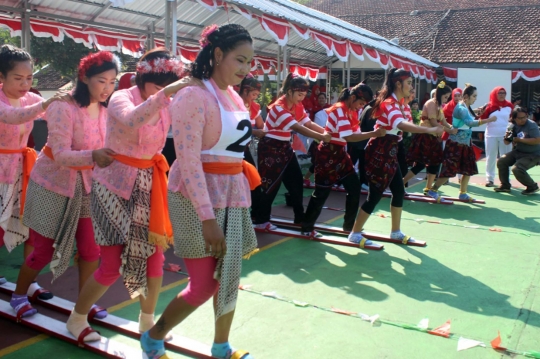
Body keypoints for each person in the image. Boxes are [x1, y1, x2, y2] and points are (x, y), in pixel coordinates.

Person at [141, 23, 257, 359]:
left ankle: (222, 346)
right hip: (194, 198)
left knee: (230, 276)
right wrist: (207, 218)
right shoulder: (192, 95)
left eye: (249, 62)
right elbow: (189, 162)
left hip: (233, 195)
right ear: (217, 54)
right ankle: (154, 336)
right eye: (239, 59)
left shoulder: (234, 96)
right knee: (205, 283)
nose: (245, 69)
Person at [66, 48, 188, 344]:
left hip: (149, 183)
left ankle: (147, 321)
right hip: (112, 186)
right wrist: (167, 93)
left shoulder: (168, 101)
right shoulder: (121, 97)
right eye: (158, 86)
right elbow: (132, 120)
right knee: (110, 264)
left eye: (167, 87)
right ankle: (77, 318)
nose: (163, 93)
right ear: (141, 78)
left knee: (155, 258)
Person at [10, 51, 120, 319]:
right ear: (84, 77)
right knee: (42, 250)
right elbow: (60, 154)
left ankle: (83, 305)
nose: (108, 88)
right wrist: (94, 156)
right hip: (52, 184)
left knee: (90, 249)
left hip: (88, 187)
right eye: (102, 81)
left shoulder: (109, 109)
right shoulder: (64, 105)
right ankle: (19, 294)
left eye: (113, 82)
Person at [347, 68, 443, 246]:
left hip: (390, 150)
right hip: (379, 151)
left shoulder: (401, 104)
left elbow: (405, 126)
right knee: (374, 195)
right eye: (409, 83)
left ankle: (395, 232)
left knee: (399, 191)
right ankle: (354, 233)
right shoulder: (389, 103)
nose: (411, 87)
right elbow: (401, 124)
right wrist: (430, 129)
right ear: (398, 84)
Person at [0, 45, 63, 292]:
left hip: (24, 169)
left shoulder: (31, 98)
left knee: (30, 227)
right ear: (1, 77)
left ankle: (29, 282)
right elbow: (13, 116)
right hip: (2, 169)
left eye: (29, 78)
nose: (25, 84)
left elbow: (55, 112)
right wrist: (46, 105)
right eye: (18, 78)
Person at [301, 83, 385, 236]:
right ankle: (307, 227)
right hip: (327, 154)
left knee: (354, 188)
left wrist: (373, 135)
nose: (360, 107)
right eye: (360, 103)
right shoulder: (339, 109)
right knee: (321, 193)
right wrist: (374, 133)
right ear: (352, 98)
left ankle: (349, 226)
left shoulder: (352, 111)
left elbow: (356, 134)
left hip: (340, 153)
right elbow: (349, 136)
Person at [253, 74, 331, 230]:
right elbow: (297, 127)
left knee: (296, 182)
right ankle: (261, 220)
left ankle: (299, 217)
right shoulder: (278, 107)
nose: (301, 98)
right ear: (289, 92)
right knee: (271, 185)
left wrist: (327, 133)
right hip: (270, 149)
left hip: (285, 148)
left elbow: (307, 123)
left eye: (303, 95)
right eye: (299, 94)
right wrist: (322, 137)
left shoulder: (297, 105)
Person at [426, 84, 497, 202]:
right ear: (466, 96)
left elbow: (471, 118)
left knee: (468, 169)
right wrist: (489, 120)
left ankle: (463, 193)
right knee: (449, 170)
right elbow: (470, 123)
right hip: (455, 144)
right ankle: (433, 190)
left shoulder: (466, 107)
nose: (475, 98)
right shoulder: (461, 108)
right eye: (474, 96)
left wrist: (480, 113)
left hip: (465, 144)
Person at [402, 82, 456, 196]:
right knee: (420, 164)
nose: (447, 99)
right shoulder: (431, 103)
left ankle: (428, 189)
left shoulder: (439, 105)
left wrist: (451, 127)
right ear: (440, 94)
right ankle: (402, 183)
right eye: (446, 96)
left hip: (434, 138)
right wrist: (448, 130)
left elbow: (444, 121)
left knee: (435, 163)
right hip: (425, 137)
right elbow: (433, 122)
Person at [494, 106, 540, 195]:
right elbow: (506, 142)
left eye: (524, 117)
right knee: (502, 161)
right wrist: (508, 135)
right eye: (520, 118)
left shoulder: (532, 125)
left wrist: (519, 140)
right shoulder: (512, 126)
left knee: (517, 169)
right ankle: (505, 186)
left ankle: (532, 186)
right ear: (514, 118)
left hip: (534, 154)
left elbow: (537, 140)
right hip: (518, 151)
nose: (523, 120)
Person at [238, 75, 265, 220]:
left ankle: (256, 215)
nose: (254, 98)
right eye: (253, 94)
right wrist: (254, 131)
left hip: (245, 148)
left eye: (257, 95)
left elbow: (261, 125)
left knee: (254, 180)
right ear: (245, 90)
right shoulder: (232, 102)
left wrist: (262, 130)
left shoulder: (254, 106)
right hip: (232, 150)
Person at [481, 87, 514, 187]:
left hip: (506, 135)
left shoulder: (509, 105)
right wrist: (482, 113)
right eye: (499, 93)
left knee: (506, 158)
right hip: (491, 135)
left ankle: (505, 180)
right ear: (495, 94)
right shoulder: (489, 106)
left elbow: (513, 119)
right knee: (491, 157)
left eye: (504, 93)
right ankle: (489, 179)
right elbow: (482, 119)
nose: (502, 95)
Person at [303, 92, 331, 184]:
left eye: (323, 98)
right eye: (320, 98)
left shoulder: (330, 109)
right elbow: (310, 124)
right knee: (318, 162)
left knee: (326, 162)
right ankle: (306, 178)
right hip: (318, 140)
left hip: (328, 138)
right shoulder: (314, 110)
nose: (321, 100)